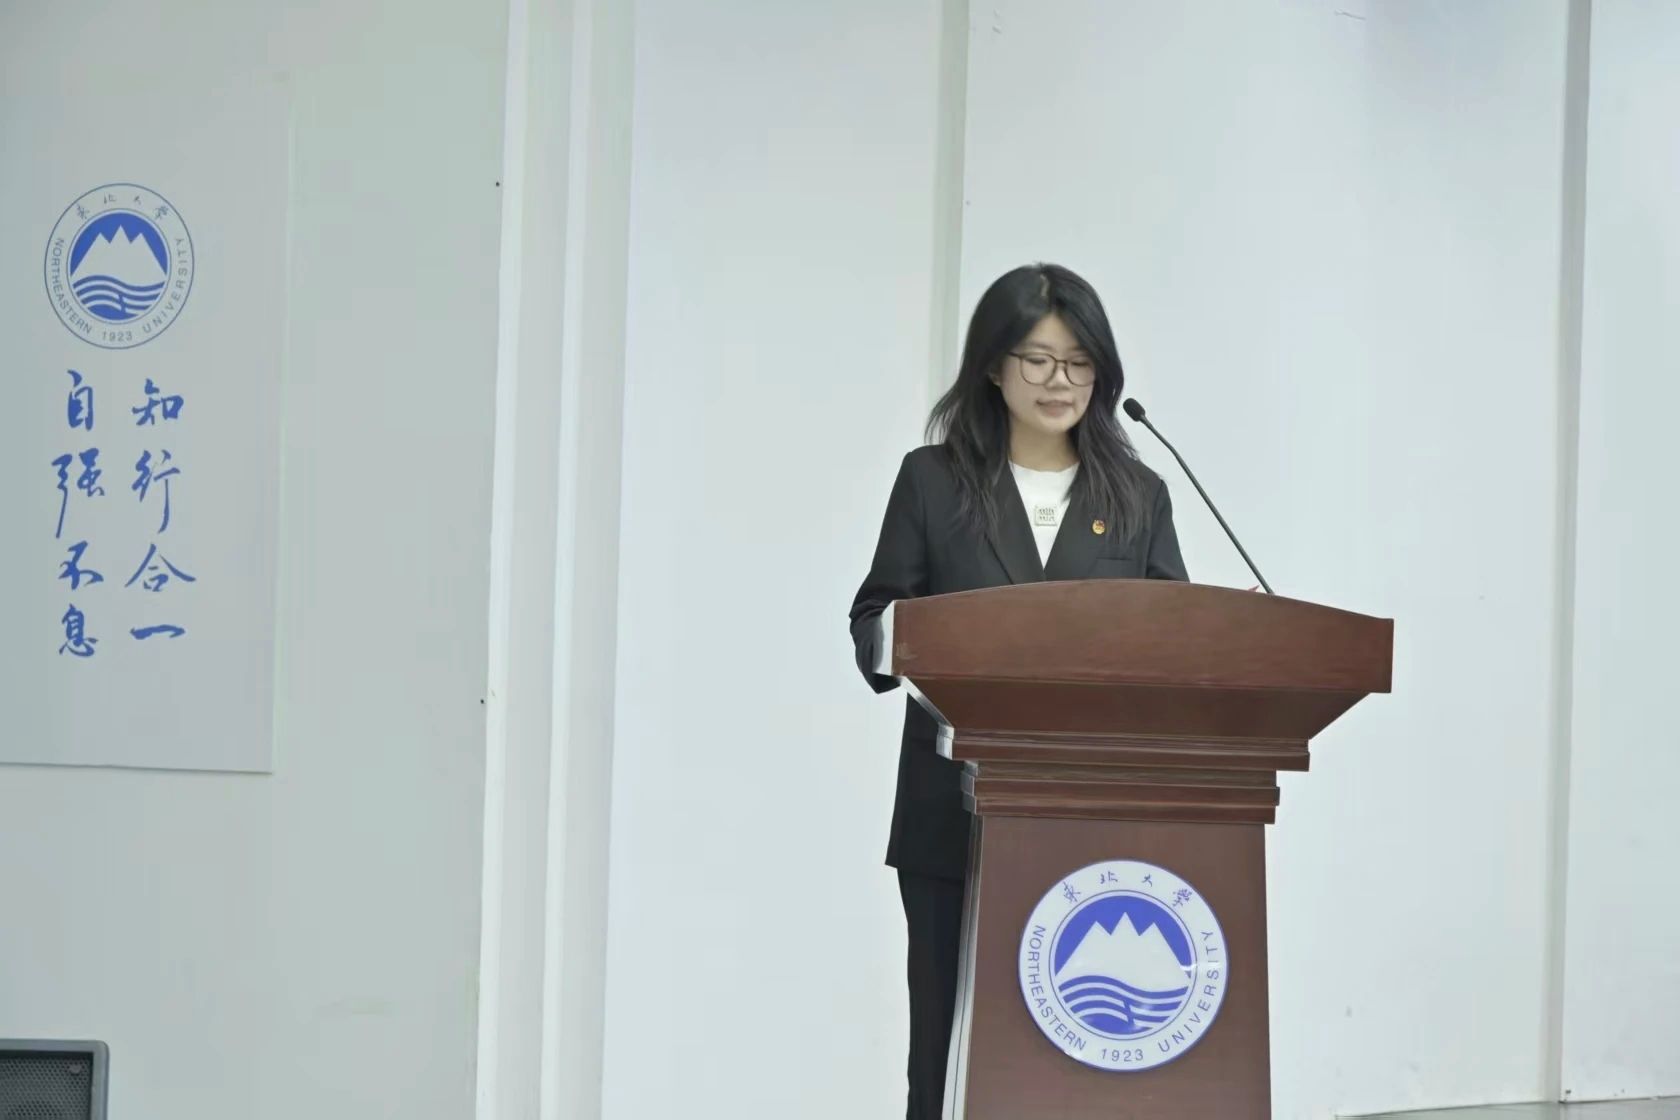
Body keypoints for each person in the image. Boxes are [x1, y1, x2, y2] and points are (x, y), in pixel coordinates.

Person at [847, 262, 1189, 1118]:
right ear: (994, 367)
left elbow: (1180, 640)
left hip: (1095, 817)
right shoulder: (932, 481)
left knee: (1076, 1059)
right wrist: (925, 639)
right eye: (1037, 359)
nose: (1057, 380)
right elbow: (875, 621)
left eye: (1078, 362)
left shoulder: (1138, 497)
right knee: (945, 1052)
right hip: (949, 813)